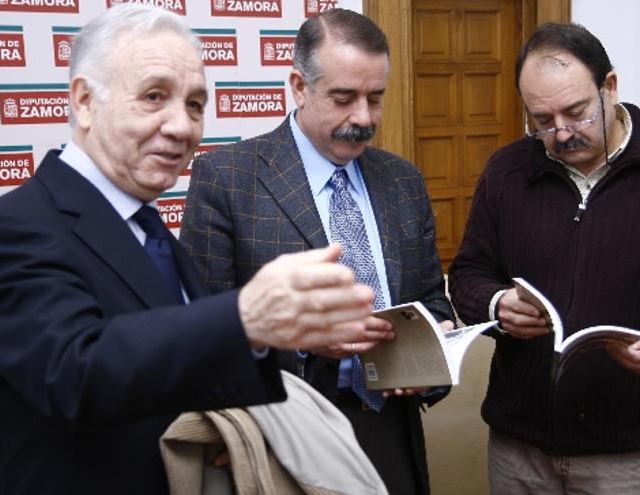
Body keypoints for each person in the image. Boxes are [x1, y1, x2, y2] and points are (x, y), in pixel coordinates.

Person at [0, 5, 388, 495]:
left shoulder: (146, 226)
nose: (182, 127)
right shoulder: (9, 230)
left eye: (196, 105)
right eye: (154, 96)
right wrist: (246, 317)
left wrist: (247, 416)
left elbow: (182, 361)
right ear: (83, 102)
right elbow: (76, 374)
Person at [448, 22, 640, 494]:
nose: (562, 133)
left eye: (576, 112)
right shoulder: (507, 171)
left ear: (609, 87)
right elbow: (470, 270)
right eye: (542, 121)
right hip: (519, 445)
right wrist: (495, 305)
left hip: (631, 449)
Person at [180, 8, 455, 494]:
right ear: (299, 86)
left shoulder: (403, 181)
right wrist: (304, 341)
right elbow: (203, 333)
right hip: (283, 433)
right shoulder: (228, 180)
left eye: (376, 98)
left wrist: (430, 351)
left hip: (392, 429)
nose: (363, 118)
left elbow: (434, 300)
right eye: (344, 98)